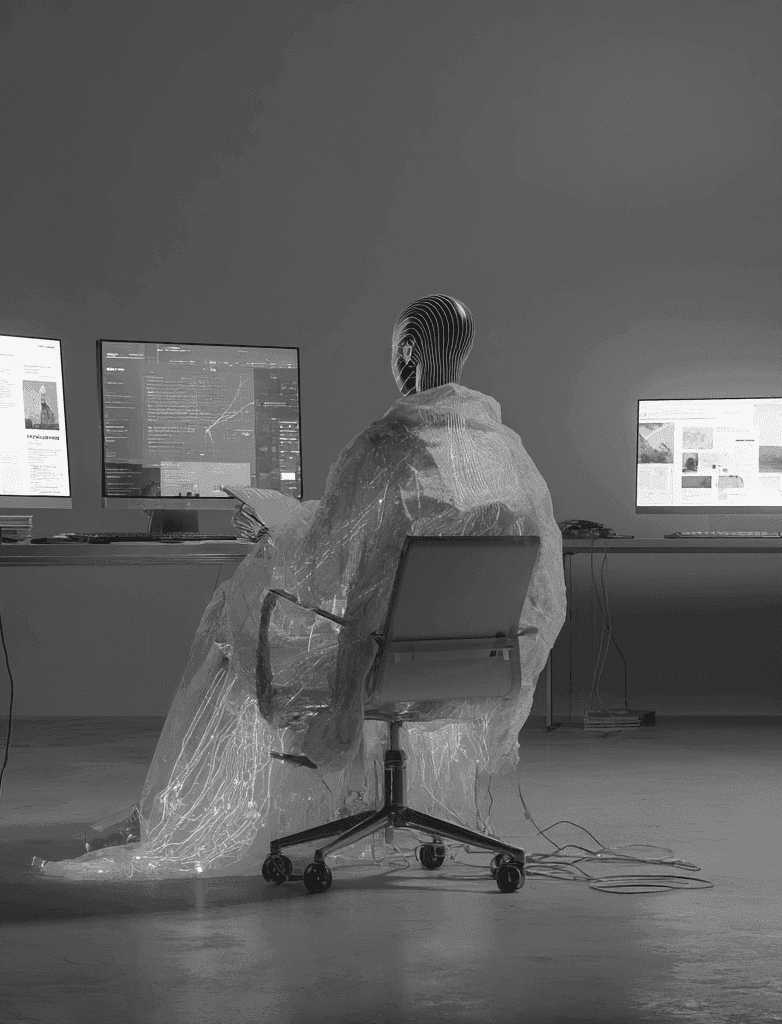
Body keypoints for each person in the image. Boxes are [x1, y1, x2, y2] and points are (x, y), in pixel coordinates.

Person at [38, 296, 565, 880]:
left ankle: (171, 814)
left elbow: (320, 565)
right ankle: (363, 808)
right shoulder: (506, 453)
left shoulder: (387, 447)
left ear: (409, 351)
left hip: (376, 670)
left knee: (232, 623)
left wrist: (272, 527)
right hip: (476, 668)